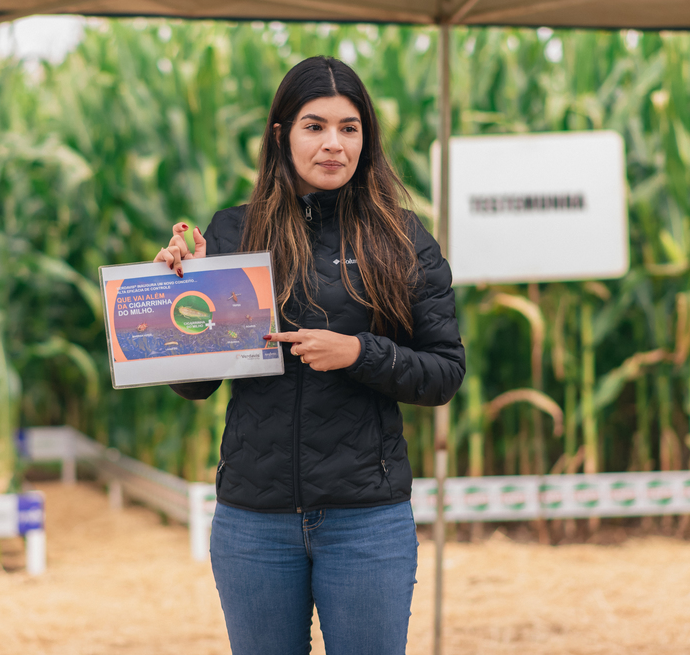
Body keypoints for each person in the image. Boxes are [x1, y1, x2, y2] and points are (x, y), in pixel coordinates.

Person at [157, 55, 464, 655]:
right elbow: (194, 386)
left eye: (349, 128)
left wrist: (358, 353)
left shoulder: (401, 237)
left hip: (366, 521)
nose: (333, 144)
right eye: (314, 126)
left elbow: (444, 373)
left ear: (366, 139)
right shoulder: (232, 234)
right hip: (253, 521)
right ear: (281, 136)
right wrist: (177, 293)